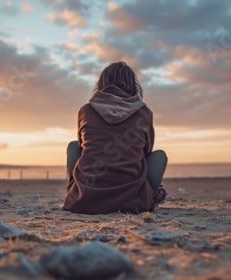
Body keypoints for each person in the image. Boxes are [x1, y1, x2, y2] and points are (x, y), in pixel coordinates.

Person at [63, 61, 168, 215]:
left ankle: (73, 192)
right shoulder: (144, 113)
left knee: (73, 146)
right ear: (133, 85)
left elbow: (83, 147)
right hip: (132, 203)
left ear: (102, 83)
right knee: (159, 156)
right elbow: (145, 152)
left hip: (83, 202)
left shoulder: (86, 111)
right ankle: (150, 196)